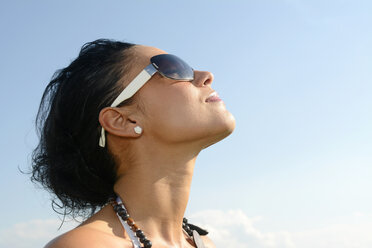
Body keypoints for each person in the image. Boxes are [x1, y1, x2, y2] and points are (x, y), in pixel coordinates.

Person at [31, 39, 236, 248]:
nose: (206, 76)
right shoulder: (86, 245)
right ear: (124, 121)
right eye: (172, 67)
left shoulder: (204, 243)